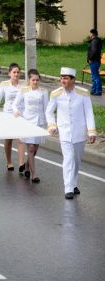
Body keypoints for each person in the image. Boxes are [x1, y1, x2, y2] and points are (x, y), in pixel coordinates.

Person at [46, 67, 96, 199]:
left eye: (66, 78)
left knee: (77, 160)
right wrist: (52, 125)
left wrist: (91, 131)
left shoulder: (83, 94)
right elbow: (49, 112)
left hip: (79, 132)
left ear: (73, 80)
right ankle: (68, 188)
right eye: (62, 78)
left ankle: (73, 183)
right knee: (68, 159)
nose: (63, 80)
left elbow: (89, 113)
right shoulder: (56, 94)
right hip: (64, 132)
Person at [13, 69, 48, 183]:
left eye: (37, 80)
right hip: (28, 122)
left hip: (40, 122)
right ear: (29, 80)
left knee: (35, 149)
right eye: (33, 80)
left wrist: (50, 124)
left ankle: (27, 166)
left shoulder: (43, 91)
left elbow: (46, 108)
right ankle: (34, 174)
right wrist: (16, 111)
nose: (35, 82)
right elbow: (15, 104)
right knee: (31, 148)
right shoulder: (23, 90)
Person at [0, 63, 26, 172]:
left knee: (21, 138)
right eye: (14, 72)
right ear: (9, 73)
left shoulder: (24, 85)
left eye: (18, 72)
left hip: (20, 115)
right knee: (9, 139)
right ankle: (9, 162)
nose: (16, 74)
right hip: (8, 115)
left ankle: (21, 163)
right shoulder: (4, 85)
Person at [87, 28, 102, 96]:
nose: (90, 35)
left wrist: (90, 58)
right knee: (94, 76)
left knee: (95, 76)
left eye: (90, 34)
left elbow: (94, 51)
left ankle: (98, 90)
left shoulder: (94, 41)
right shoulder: (97, 40)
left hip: (94, 60)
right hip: (97, 60)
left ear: (92, 34)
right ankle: (93, 90)